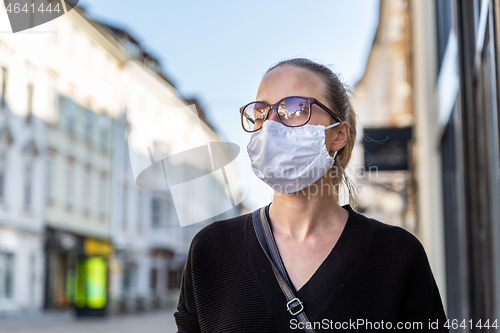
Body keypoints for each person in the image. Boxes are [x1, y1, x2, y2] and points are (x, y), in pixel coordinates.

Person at [174, 58, 449, 332]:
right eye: (260, 111)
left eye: (294, 108)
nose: (270, 125)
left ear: (338, 134)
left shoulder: (396, 255)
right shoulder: (211, 251)